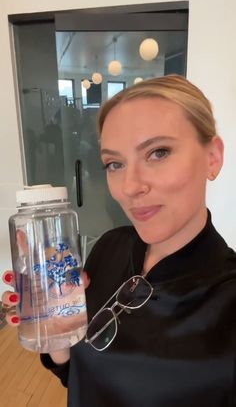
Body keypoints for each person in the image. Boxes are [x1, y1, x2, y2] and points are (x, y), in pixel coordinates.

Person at [2, 75, 236, 407]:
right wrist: (58, 337)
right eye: (115, 163)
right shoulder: (110, 247)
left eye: (158, 152)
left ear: (212, 156)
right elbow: (83, 378)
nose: (129, 187)